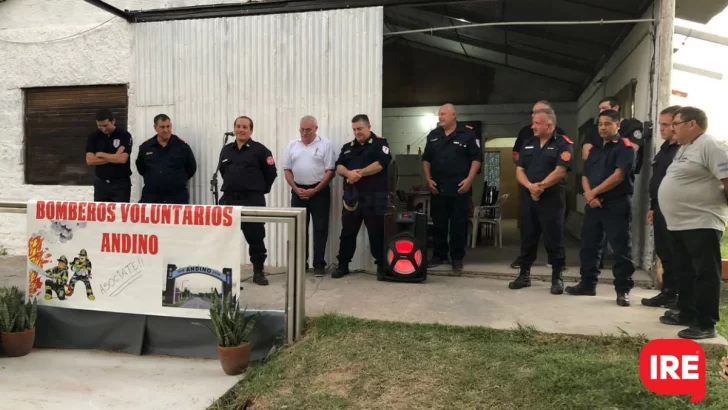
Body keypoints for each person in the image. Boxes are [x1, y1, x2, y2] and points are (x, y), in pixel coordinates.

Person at [657, 107, 728, 339]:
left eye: (676, 123)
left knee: (705, 273)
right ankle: (687, 312)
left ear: (692, 124)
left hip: (702, 221)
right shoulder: (685, 147)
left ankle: (705, 323)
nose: (672, 128)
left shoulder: (710, 145)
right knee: (684, 271)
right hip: (680, 224)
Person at [566, 109, 636, 307]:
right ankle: (587, 284)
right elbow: (585, 174)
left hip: (616, 204)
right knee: (589, 246)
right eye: (600, 124)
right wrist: (590, 195)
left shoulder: (625, 147)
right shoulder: (595, 150)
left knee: (621, 248)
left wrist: (593, 193)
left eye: (607, 123)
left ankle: (623, 290)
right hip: (594, 205)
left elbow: (619, 176)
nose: (603, 127)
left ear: (618, 125)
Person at [508, 108, 573, 294]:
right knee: (527, 236)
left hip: (552, 198)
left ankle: (557, 277)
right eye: (533, 122)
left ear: (549, 125)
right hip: (529, 198)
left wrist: (541, 186)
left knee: (554, 238)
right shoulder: (528, 143)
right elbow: (519, 169)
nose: (533, 126)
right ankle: (524, 275)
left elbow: (561, 170)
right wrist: (530, 186)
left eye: (537, 123)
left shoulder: (563, 143)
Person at [218, 116, 278, 286]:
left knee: (256, 238)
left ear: (251, 130)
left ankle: (258, 272)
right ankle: (226, 274)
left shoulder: (260, 150)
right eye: (238, 126)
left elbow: (271, 173)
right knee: (226, 238)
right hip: (229, 199)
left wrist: (259, 189)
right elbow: (222, 172)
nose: (241, 130)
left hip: (252, 199)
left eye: (245, 127)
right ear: (234, 128)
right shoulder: (226, 150)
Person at [422, 104, 482, 271]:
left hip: (459, 188)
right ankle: (439, 254)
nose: (440, 117)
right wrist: (428, 178)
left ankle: (457, 257)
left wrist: (470, 179)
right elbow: (426, 159)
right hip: (438, 188)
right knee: (439, 223)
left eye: (443, 114)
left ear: (454, 115)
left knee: (458, 224)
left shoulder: (467, 134)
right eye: (439, 114)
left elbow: (476, 159)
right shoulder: (433, 135)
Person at [333, 114, 391, 279]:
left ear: (369, 127)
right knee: (348, 233)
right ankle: (343, 265)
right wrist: (348, 173)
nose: (357, 132)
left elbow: (381, 164)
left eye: (360, 128)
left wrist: (360, 174)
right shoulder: (348, 147)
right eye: (354, 129)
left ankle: (381, 266)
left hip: (374, 197)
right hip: (352, 198)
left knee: (376, 233)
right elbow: (339, 166)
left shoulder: (380, 143)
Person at [283, 115, 336, 277]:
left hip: (319, 192)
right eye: (302, 129)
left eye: (308, 130)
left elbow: (330, 171)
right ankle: (301, 264)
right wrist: (295, 188)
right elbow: (287, 170)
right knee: (299, 229)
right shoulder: (292, 145)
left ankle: (319, 264)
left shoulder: (325, 145)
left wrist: (316, 189)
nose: (305, 133)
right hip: (297, 191)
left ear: (316, 129)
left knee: (320, 228)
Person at [642, 105, 682, 309]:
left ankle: (679, 297)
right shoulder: (665, 148)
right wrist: (652, 206)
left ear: (677, 124)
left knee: (677, 254)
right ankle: (667, 293)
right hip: (660, 209)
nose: (662, 129)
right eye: (660, 125)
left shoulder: (683, 150)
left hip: (677, 211)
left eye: (666, 125)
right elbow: (657, 179)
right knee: (664, 252)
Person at [136, 114, 197, 204]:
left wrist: (176, 181)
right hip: (152, 197)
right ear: (155, 128)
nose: (166, 130)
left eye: (168, 126)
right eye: (162, 127)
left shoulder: (182, 146)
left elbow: (191, 168)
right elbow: (141, 168)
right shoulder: (146, 147)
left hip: (176, 198)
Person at [85, 108, 133, 202]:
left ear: (113, 121)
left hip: (120, 184)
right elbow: (90, 160)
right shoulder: (93, 137)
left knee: (120, 214)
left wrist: (101, 154)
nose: (103, 129)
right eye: (100, 126)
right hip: (101, 184)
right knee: (100, 214)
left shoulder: (124, 135)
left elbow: (122, 159)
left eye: (106, 125)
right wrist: (114, 156)